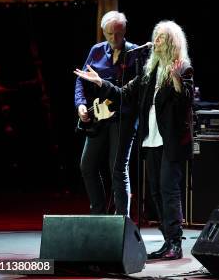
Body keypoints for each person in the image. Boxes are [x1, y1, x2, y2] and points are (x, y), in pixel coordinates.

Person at [75, 20, 193, 260]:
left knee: (168, 190)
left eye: (161, 38)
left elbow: (186, 103)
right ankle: (167, 240)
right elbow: (124, 94)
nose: (156, 41)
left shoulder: (182, 69)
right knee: (156, 193)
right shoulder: (149, 71)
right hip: (151, 141)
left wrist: (177, 81)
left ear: (171, 42)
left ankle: (175, 243)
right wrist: (100, 83)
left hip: (170, 141)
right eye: (156, 36)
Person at [74, 11, 140, 217]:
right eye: (109, 34)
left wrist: (102, 83)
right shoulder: (96, 51)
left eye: (118, 34)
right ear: (103, 32)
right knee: (87, 165)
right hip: (100, 117)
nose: (114, 39)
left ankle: (122, 219)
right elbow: (81, 80)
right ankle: (98, 215)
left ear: (124, 31)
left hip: (123, 118)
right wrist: (81, 105)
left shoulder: (136, 53)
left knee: (117, 169)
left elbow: (132, 93)